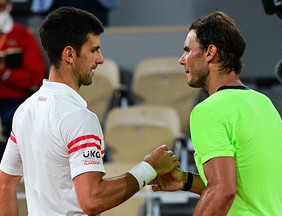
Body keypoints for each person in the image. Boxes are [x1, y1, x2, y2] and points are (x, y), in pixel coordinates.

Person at [0, 6, 180, 215]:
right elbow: (92, 199)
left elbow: (5, 184)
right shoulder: (79, 118)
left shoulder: (25, 110)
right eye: (93, 50)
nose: (100, 59)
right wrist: (148, 169)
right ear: (69, 54)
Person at [150, 11, 282, 215]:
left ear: (209, 52)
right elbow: (243, 188)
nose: (181, 60)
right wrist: (186, 180)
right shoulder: (264, 103)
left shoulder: (208, 110)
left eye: (187, 50)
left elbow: (223, 191)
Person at [0, 0, 46, 157]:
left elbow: (35, 76)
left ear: (10, 7)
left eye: (2, 6)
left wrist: (6, 74)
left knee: (17, 120)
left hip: (13, 100)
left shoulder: (22, 36)